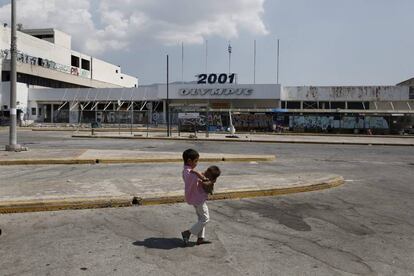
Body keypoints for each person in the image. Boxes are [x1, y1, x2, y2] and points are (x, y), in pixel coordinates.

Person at [181, 149, 220, 246]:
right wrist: (207, 179)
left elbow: (197, 174)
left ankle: (200, 238)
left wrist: (200, 174)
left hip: (193, 198)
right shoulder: (192, 175)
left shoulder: (186, 171)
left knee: (201, 219)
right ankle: (188, 233)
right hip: (198, 199)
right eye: (196, 161)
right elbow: (203, 180)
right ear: (189, 161)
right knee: (205, 219)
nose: (197, 163)